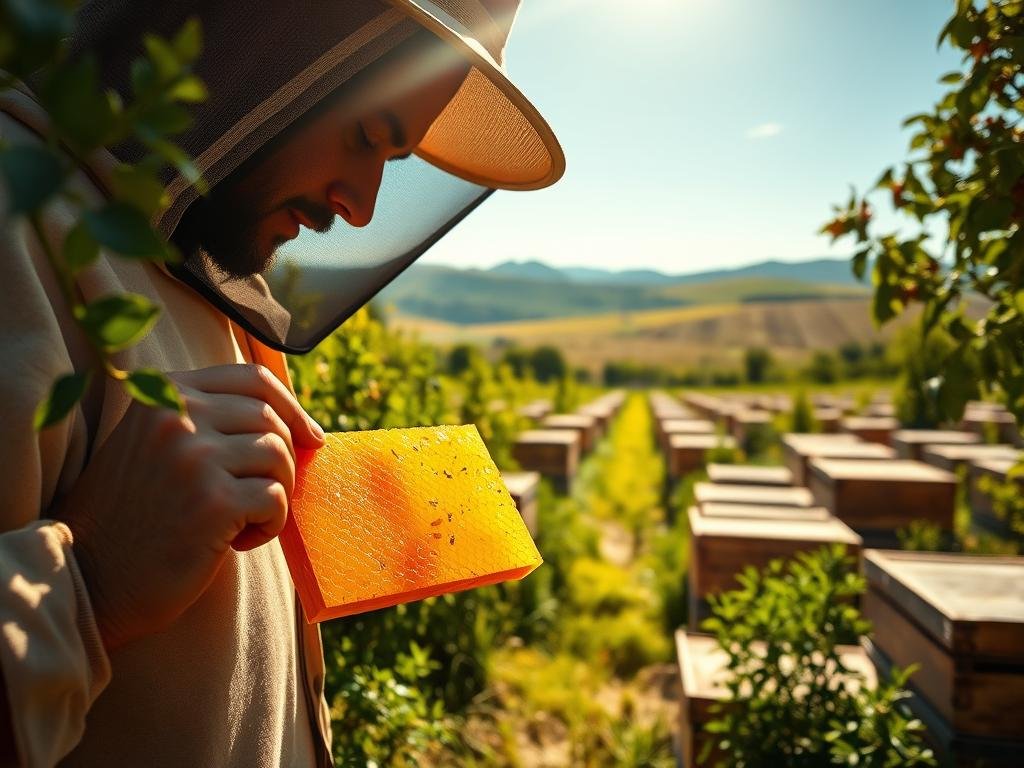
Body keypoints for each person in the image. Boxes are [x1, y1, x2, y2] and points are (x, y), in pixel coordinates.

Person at [0, 0, 563, 765]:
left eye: (392, 164)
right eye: (368, 135)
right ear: (266, 43)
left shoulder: (199, 251)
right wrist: (92, 580)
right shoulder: (17, 220)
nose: (360, 207)